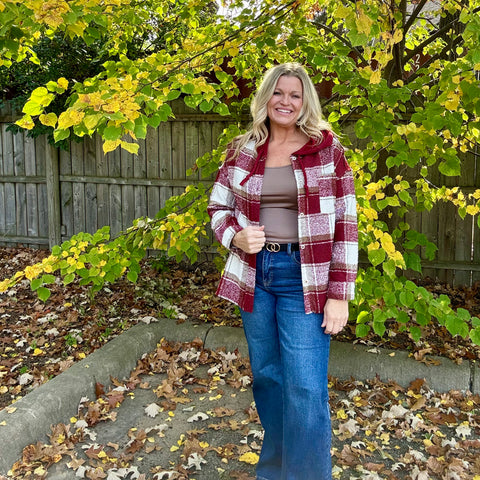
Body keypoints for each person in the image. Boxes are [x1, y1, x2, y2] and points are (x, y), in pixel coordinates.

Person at [207, 63, 358, 480]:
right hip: (256, 274)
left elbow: (346, 223)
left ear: (305, 100)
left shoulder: (327, 150)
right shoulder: (243, 150)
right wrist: (235, 236)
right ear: (265, 98)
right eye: (278, 93)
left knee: (306, 388)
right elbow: (217, 208)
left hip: (305, 277)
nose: (286, 102)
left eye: (295, 94)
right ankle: (275, 471)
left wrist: (339, 293)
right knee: (269, 380)